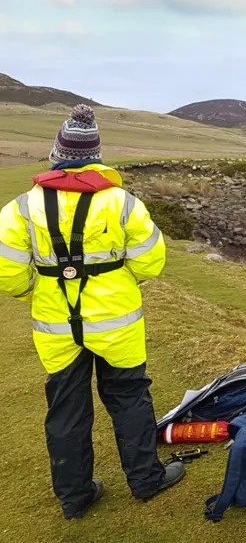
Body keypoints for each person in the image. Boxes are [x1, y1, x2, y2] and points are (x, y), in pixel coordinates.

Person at [0, 105, 185, 519]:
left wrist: (39, 287)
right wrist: (118, 281)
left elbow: (8, 276)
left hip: (55, 327)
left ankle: (75, 495)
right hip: (118, 324)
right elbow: (151, 263)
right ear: (96, 156)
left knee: (66, 407)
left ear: (57, 154)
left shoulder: (20, 208)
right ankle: (146, 480)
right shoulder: (122, 203)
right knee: (130, 398)